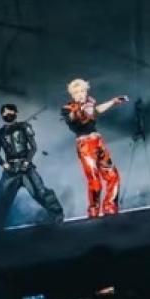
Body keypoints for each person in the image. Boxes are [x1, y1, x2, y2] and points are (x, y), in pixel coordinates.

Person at [62, 79, 128, 218]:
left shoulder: (90, 103)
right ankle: (93, 210)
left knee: (113, 176)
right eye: (76, 92)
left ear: (86, 91)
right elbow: (73, 118)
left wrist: (113, 102)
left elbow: (96, 111)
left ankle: (110, 207)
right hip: (85, 145)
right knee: (95, 181)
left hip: (98, 142)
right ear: (72, 94)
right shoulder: (67, 108)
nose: (80, 94)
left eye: (82, 91)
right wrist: (80, 108)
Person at [0, 103, 63, 226]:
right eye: (5, 113)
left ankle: (57, 215)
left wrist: (26, 162)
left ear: (15, 113)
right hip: (11, 170)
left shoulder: (24, 127)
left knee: (40, 192)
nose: (7, 114)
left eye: (10, 112)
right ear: (2, 115)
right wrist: (3, 164)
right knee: (2, 197)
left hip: (26, 167)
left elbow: (33, 147)